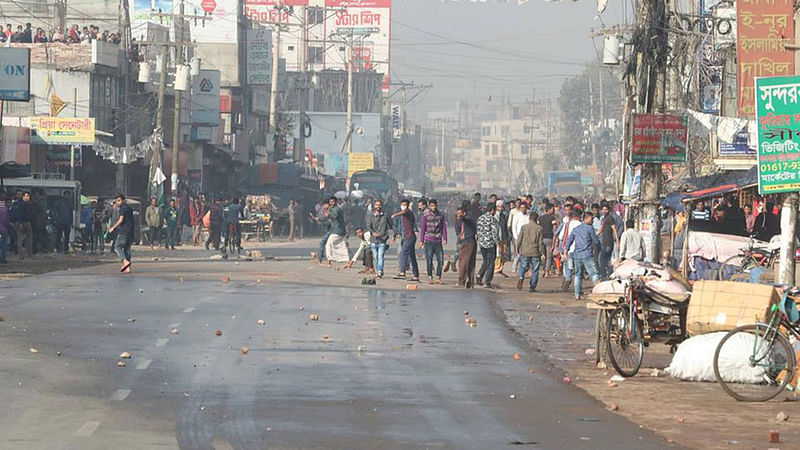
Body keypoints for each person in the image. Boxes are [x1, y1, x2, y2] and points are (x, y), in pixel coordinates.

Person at [565, 212, 601, 300]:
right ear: (586, 219)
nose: (592, 220)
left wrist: (566, 249)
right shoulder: (590, 229)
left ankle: (577, 294)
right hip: (587, 255)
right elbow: (596, 241)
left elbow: (569, 239)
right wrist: (598, 248)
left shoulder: (576, 229)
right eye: (591, 219)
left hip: (577, 255)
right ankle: (599, 291)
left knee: (578, 275)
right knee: (593, 273)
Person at [516, 211, 546, 292]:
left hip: (525, 250)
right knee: (535, 269)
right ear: (537, 219)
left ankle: (521, 277)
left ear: (529, 218)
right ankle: (532, 287)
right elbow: (540, 243)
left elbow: (519, 240)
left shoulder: (523, 227)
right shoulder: (539, 228)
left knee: (523, 266)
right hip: (535, 251)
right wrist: (542, 253)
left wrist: (517, 249)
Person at [391, 198, 420, 281]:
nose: (403, 206)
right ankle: (416, 275)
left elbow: (404, 211)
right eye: (402, 205)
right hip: (406, 237)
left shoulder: (408, 212)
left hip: (409, 237)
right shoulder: (404, 214)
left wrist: (395, 214)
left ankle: (402, 272)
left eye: (405, 205)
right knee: (412, 257)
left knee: (403, 253)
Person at [419, 198, 447, 284]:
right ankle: (430, 277)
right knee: (429, 259)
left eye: (434, 205)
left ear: (436, 205)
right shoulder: (426, 215)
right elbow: (423, 228)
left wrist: (445, 237)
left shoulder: (441, 215)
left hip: (438, 240)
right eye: (431, 205)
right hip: (429, 240)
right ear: (429, 206)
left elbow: (443, 227)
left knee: (440, 260)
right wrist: (421, 240)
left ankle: (438, 277)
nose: (433, 207)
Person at [476, 202, 500, 288]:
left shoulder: (480, 218)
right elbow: (494, 233)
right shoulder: (492, 219)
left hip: (482, 244)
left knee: (485, 261)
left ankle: (479, 275)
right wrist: (498, 242)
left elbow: (478, 231)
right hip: (490, 244)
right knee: (490, 263)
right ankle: (487, 281)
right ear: (492, 210)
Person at [108, 194, 134, 273]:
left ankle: (125, 261)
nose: (117, 202)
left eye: (119, 200)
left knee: (117, 246)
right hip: (131, 231)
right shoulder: (129, 208)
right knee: (126, 249)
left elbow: (121, 220)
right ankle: (127, 268)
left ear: (123, 200)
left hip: (124, 231)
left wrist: (113, 227)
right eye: (116, 201)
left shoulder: (123, 209)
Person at [367, 199, 392, 278]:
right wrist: (373, 233)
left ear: (382, 206)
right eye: (377, 205)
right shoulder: (371, 215)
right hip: (373, 240)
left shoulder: (385, 215)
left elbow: (391, 225)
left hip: (382, 239)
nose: (378, 206)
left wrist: (394, 234)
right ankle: (379, 270)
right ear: (374, 206)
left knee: (380, 256)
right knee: (375, 256)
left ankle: (379, 272)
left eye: (379, 205)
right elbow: (368, 226)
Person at [455, 206, 478, 288]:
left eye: (459, 214)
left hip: (468, 242)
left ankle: (462, 281)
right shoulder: (460, 221)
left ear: (464, 213)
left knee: (464, 262)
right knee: (468, 262)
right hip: (465, 241)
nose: (458, 215)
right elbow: (457, 230)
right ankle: (470, 282)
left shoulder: (469, 219)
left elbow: (468, 221)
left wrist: (462, 218)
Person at [597, 203, 619, 279]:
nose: (604, 211)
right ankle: (608, 274)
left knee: (602, 260)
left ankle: (603, 276)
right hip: (604, 242)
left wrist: (618, 242)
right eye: (603, 209)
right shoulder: (604, 218)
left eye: (606, 209)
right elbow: (600, 230)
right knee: (606, 260)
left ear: (608, 210)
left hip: (608, 242)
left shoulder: (610, 218)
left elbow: (615, 230)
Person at [325, 197, 349, 265]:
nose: (331, 203)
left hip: (338, 230)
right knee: (342, 245)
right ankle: (347, 260)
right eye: (330, 202)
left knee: (328, 244)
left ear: (336, 202)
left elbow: (334, 216)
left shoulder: (337, 209)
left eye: (333, 201)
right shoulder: (332, 209)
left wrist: (328, 213)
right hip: (337, 230)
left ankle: (329, 260)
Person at [10, 191, 33, 260]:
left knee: (19, 239)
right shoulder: (25, 204)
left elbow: (12, 213)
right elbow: (22, 214)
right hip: (25, 222)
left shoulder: (15, 204)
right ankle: (29, 254)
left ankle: (21, 256)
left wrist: (14, 222)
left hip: (18, 222)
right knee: (28, 238)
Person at [538, 203, 557, 277]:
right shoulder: (552, 218)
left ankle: (543, 269)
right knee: (549, 256)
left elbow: (538, 228)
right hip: (549, 238)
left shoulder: (540, 218)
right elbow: (555, 229)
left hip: (541, 238)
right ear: (549, 209)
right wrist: (555, 240)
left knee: (543, 255)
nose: (554, 210)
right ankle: (547, 272)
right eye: (553, 209)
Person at [0, 192, 9, 264]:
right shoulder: (4, 208)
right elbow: (5, 220)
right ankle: (2, 258)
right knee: (3, 244)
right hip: (3, 229)